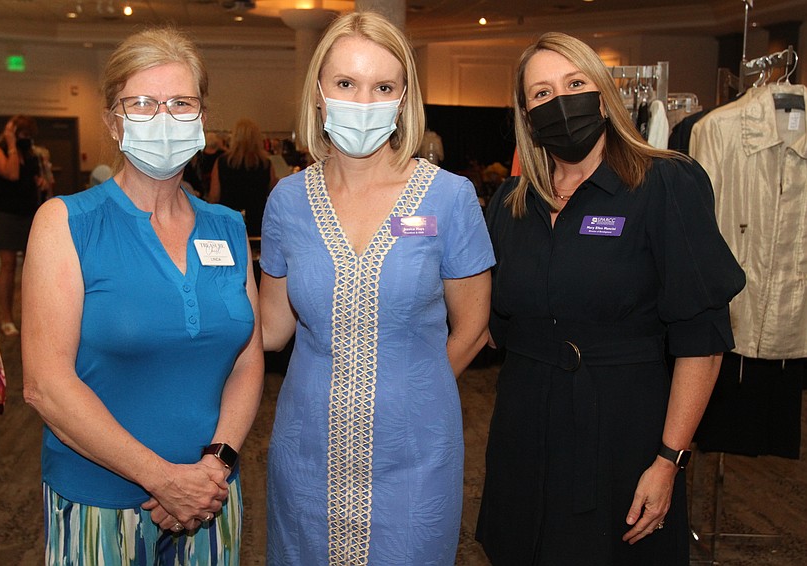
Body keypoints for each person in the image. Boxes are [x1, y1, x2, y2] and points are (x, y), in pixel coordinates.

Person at [475, 32, 746, 565]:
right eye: (542, 94)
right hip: (523, 429)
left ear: (602, 96)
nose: (561, 101)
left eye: (575, 84)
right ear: (526, 115)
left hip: (624, 431)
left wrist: (668, 460)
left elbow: (702, 342)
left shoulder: (665, 184)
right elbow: (487, 325)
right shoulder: (510, 204)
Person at [21, 26, 264, 565]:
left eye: (181, 102)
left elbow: (249, 360)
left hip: (211, 496)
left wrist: (215, 465)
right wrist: (163, 479)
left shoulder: (226, 227)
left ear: (201, 119)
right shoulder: (66, 223)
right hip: (99, 503)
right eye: (143, 103)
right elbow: (46, 385)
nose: (164, 118)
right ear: (114, 119)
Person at [259, 11, 495, 565]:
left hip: (415, 453)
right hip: (306, 449)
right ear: (318, 93)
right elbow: (271, 329)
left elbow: (474, 326)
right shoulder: (287, 202)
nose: (363, 101)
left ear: (403, 96)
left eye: (382, 86)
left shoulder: (451, 198)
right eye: (345, 83)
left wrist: (412, 390)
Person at [0, 114, 47, 336]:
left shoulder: (29, 154)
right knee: (8, 265)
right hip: (6, 214)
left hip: (29, 213)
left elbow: (38, 179)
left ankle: (33, 315)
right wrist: (10, 143)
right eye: (22, 134)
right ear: (11, 132)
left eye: (28, 135)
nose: (25, 139)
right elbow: (11, 173)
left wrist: (41, 182)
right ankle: (6, 318)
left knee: (33, 266)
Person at [209, 118, 276, 237]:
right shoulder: (266, 164)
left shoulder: (221, 162)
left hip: (228, 221)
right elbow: (274, 193)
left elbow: (214, 196)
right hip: (257, 221)